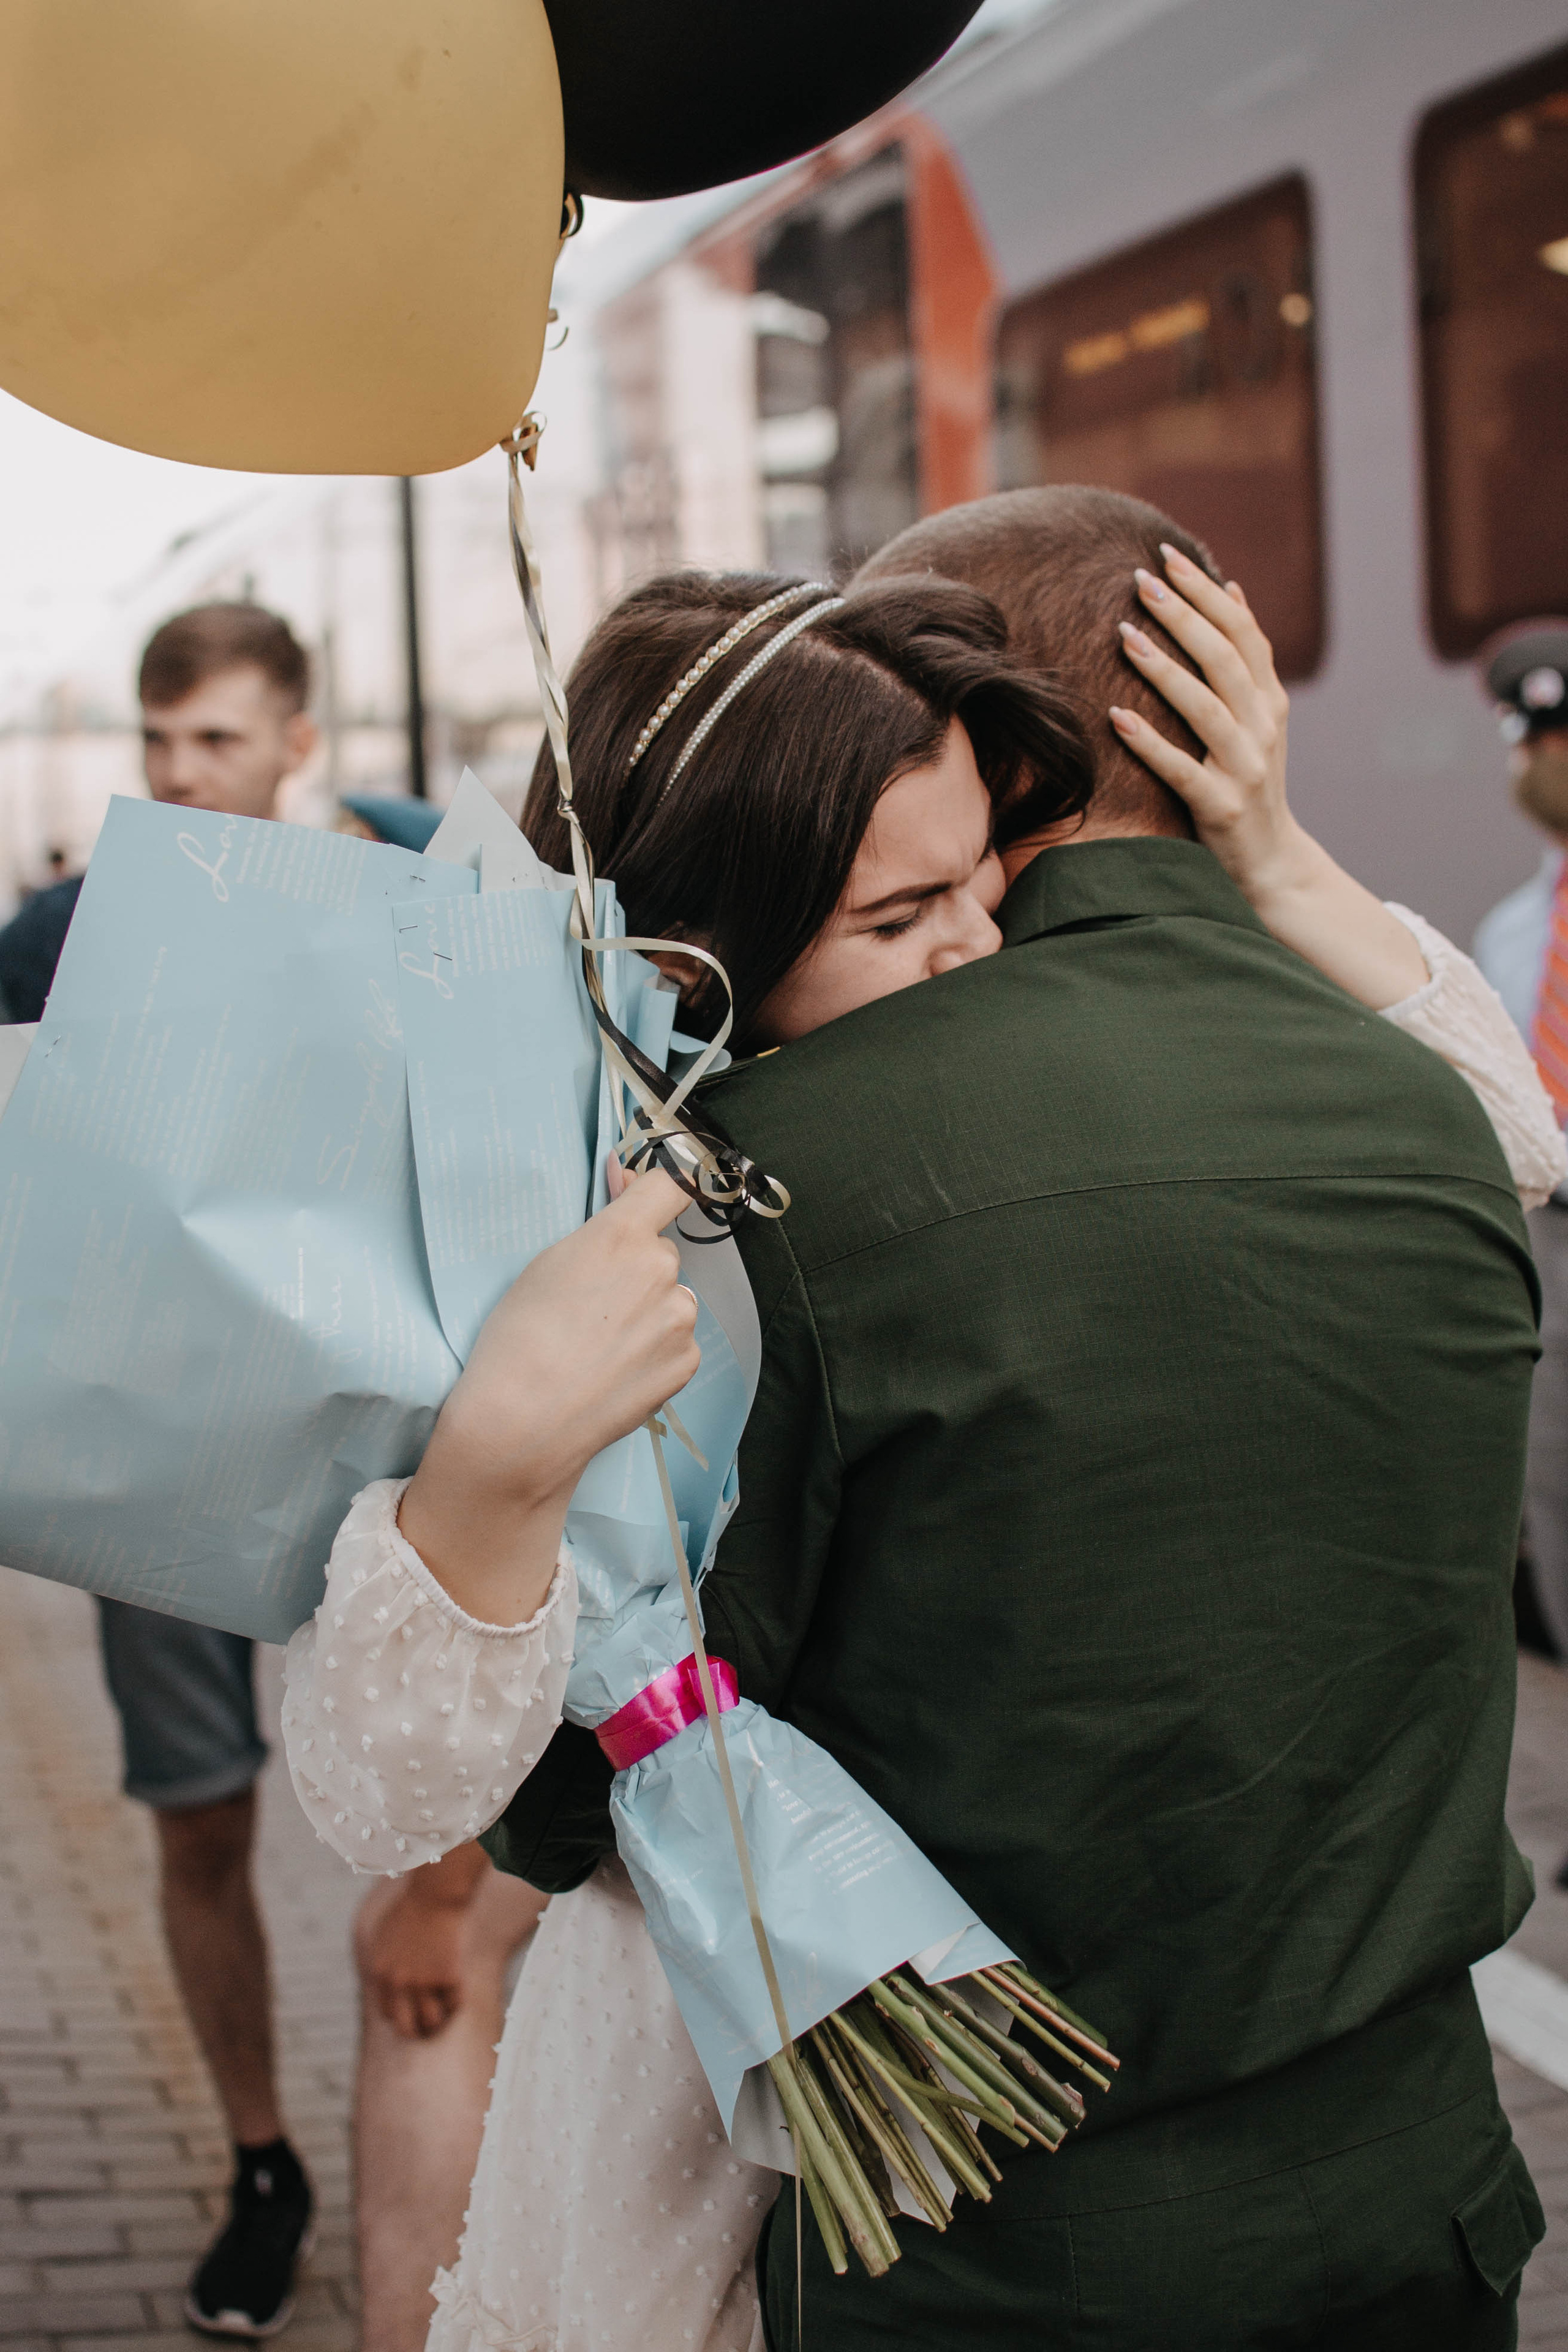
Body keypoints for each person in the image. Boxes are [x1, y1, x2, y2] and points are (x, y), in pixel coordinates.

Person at [282, 530, 1559, 2351]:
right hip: (1350, 2203)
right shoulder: (670, 1249)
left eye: (983, 887)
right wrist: (494, 1476)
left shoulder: (804, 1199)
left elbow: (566, 1815)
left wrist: (1278, 853)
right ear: (697, 963)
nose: (976, 953)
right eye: (901, 920)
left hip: (971, 2223)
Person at [1474, 624, 1568, 1678]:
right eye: (1536, 741)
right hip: (1551, 1249)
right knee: (1554, 1487)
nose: (1549, 759)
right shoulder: (1513, 931)